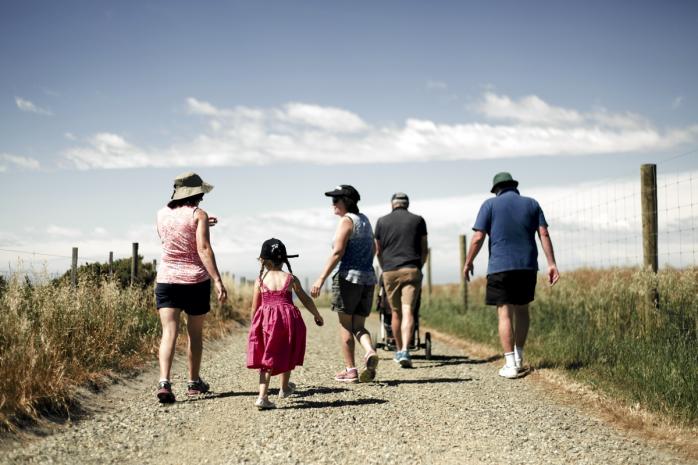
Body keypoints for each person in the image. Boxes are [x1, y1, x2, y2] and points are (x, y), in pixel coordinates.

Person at [464, 172, 559, 379]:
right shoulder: (532, 204)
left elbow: (478, 237)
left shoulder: (489, 205)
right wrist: (551, 263)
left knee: (504, 313)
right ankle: (519, 355)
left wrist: (468, 261)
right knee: (522, 310)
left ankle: (510, 364)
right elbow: (543, 233)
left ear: (496, 189)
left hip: (500, 267)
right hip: (526, 266)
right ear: (514, 187)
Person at [155, 172, 227, 403]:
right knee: (194, 334)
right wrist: (217, 279)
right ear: (196, 194)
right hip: (195, 281)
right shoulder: (199, 214)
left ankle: (164, 382)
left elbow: (170, 239)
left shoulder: (161, 214)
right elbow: (203, 249)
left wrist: (203, 224)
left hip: (166, 279)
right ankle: (194, 382)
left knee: (169, 332)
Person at [310, 185, 379, 383]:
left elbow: (338, 252)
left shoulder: (346, 221)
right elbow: (373, 248)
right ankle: (369, 351)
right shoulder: (365, 220)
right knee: (359, 325)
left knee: (345, 326)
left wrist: (321, 278)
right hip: (367, 278)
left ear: (345, 201)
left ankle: (351, 370)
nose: (332, 204)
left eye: (335, 200)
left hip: (348, 278)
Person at [247, 238, 324, 410]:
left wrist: (254, 327)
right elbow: (305, 299)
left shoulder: (260, 280)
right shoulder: (290, 278)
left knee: (267, 356)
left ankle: (263, 396)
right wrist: (317, 315)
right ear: (284, 260)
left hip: (266, 320)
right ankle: (284, 387)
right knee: (286, 350)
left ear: (263, 260)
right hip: (288, 319)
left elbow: (254, 307)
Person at [374, 192, 428, 368]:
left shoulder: (381, 222)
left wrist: (384, 267)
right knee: (408, 311)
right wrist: (419, 266)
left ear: (392, 204)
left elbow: (378, 250)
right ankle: (406, 349)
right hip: (411, 270)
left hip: (390, 271)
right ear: (407, 204)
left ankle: (399, 350)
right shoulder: (418, 220)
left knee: (395, 313)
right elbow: (424, 249)